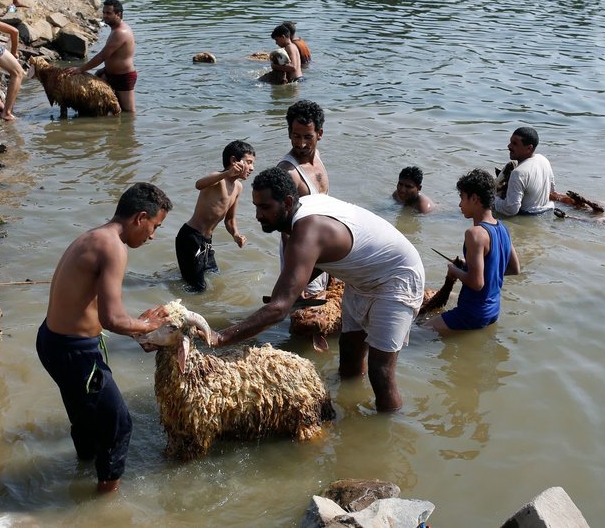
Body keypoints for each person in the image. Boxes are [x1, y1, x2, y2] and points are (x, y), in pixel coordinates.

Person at [212, 167, 425, 412]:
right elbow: (328, 253)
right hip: (362, 278)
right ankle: (349, 409)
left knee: (381, 371)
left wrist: (221, 337)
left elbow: (279, 308)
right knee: (349, 355)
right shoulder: (304, 208)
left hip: (396, 278)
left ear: (288, 202)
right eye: (256, 206)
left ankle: (387, 433)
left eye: (266, 207)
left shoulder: (308, 229)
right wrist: (292, 291)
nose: (258, 215)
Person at [36, 183, 174, 494]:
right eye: (155, 227)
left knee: (84, 419)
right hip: (75, 352)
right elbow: (111, 320)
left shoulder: (94, 236)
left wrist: (139, 326)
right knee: (119, 425)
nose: (152, 236)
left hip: (52, 342)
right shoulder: (114, 247)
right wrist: (145, 325)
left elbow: (96, 308)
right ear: (140, 217)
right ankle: (104, 503)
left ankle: (81, 471)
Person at [428, 169, 520, 335]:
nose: (460, 205)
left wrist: (454, 270)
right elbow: (514, 269)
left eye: (462, 198)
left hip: (471, 314)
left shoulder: (475, 233)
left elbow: (477, 283)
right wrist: (468, 267)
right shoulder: (503, 228)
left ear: (475, 199)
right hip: (492, 312)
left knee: (415, 333)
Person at [175, 140, 256, 292]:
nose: (252, 168)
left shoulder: (238, 187)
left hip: (206, 241)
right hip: (190, 237)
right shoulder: (218, 178)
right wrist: (226, 173)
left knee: (214, 275)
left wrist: (236, 234)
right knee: (197, 288)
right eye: (249, 162)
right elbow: (198, 184)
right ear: (234, 161)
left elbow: (230, 220)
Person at [278, 100, 329, 295]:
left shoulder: (317, 156)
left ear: (320, 134)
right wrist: (292, 276)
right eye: (295, 136)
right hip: (302, 255)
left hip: (324, 246)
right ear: (289, 133)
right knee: (306, 314)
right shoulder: (288, 172)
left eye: (308, 137)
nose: (301, 144)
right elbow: (285, 229)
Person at [63, 0, 138, 113]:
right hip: (108, 74)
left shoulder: (121, 32)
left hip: (123, 77)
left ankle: (126, 130)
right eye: (104, 12)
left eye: (108, 13)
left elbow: (103, 56)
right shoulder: (115, 29)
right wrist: (102, 71)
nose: (104, 16)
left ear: (118, 14)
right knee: (101, 104)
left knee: (128, 112)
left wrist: (80, 69)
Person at [494, 126, 558, 216]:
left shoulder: (518, 173)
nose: (509, 146)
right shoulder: (544, 160)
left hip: (529, 216)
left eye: (515, 144)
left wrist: (494, 199)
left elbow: (511, 210)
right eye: (510, 142)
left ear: (529, 148)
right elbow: (551, 191)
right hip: (548, 211)